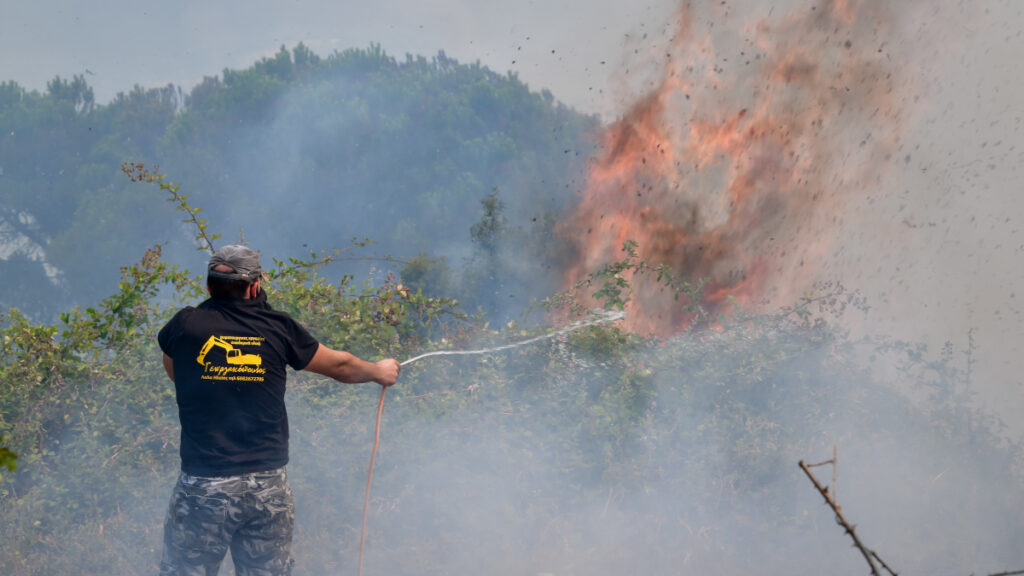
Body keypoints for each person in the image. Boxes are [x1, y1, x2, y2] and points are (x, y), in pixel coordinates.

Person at [157, 245, 400, 575]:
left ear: (208, 285)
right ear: (255, 286)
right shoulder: (278, 328)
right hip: (267, 488)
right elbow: (341, 366)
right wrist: (378, 371)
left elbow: (175, 371)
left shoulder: (184, 326)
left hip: (204, 487)